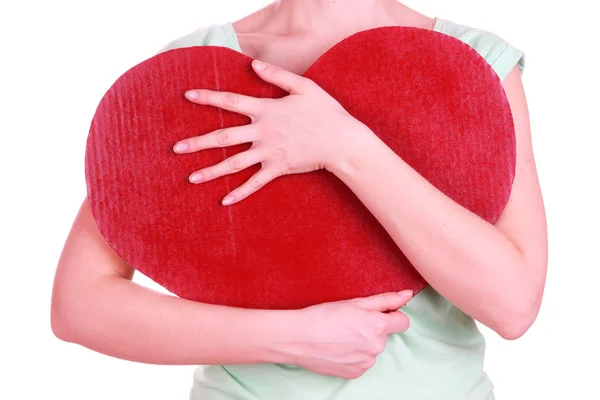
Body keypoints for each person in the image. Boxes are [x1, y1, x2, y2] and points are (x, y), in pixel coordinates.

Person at [51, 1, 548, 399]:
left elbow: (512, 305)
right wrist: (292, 337)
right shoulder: (190, 69)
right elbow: (80, 305)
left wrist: (342, 144)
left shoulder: (474, 62)